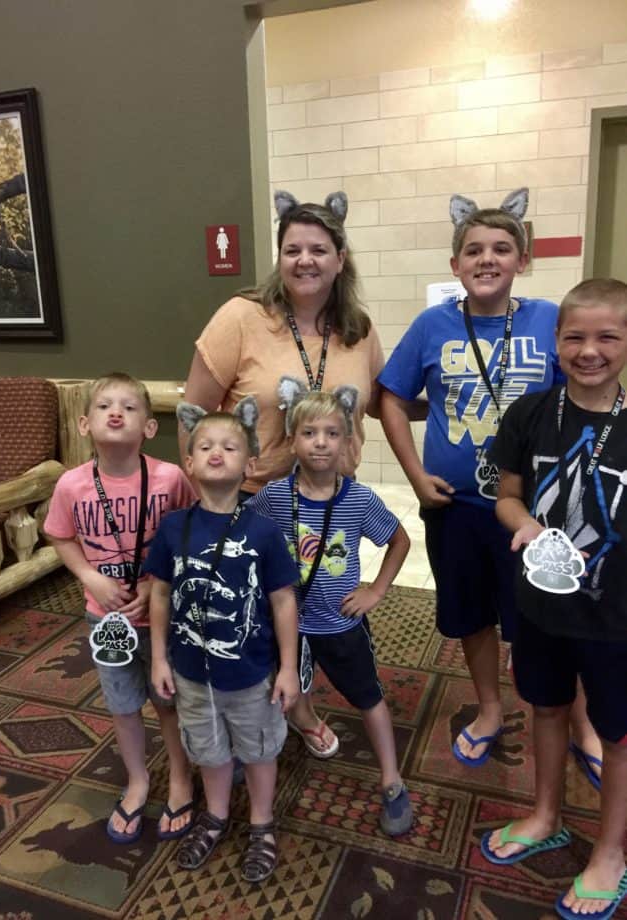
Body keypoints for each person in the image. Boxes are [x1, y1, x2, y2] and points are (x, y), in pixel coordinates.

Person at [181, 189, 384, 757]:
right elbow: (194, 415)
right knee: (259, 620)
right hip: (253, 502)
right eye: (292, 248)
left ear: (340, 258)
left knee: (321, 603)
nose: (305, 260)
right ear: (279, 256)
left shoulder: (359, 330)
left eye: (319, 249)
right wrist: (208, 502)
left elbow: (381, 399)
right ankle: (291, 713)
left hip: (330, 502)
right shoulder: (241, 318)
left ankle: (301, 697)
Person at [379, 188, 564, 768]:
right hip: (454, 507)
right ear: (454, 264)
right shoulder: (432, 325)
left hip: (533, 511)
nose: (487, 259)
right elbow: (390, 397)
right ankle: (488, 707)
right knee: (472, 615)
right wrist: (414, 474)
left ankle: (559, 714)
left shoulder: (549, 319)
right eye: (474, 250)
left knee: (543, 617)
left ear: (522, 261)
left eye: (502, 248)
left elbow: (582, 395)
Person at [480, 278, 627, 920]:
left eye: (607, 337)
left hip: (616, 615)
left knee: (618, 734)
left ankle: (612, 850)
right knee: (545, 708)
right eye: (575, 336)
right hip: (541, 603)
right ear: (556, 341)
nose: (589, 350)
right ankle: (546, 813)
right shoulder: (531, 413)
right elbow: (506, 494)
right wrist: (524, 526)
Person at [145, 397, 299, 883]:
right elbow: (160, 596)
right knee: (208, 750)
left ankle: (261, 821)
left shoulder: (265, 531)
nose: (216, 452)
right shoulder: (172, 529)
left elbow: (283, 602)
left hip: (251, 673)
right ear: (187, 462)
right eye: (204, 446)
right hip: (190, 673)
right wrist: (158, 660)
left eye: (230, 447)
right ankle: (214, 813)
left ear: (249, 464)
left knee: (257, 750)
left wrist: (290, 667)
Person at [249, 381, 413, 836]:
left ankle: (392, 779)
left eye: (331, 433)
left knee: (368, 697)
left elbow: (400, 539)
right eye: (308, 433)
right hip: (288, 625)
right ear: (292, 439)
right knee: (283, 689)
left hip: (339, 621)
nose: (320, 442)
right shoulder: (274, 497)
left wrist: (376, 590)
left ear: (347, 441)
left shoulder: (358, 500)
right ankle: (294, 736)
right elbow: (248, 538)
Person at [45, 372, 197, 844]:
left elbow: (188, 531)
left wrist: (158, 584)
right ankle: (137, 779)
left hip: (161, 614)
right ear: (85, 423)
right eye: (105, 405)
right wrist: (89, 576)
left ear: (150, 428)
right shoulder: (72, 485)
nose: (116, 412)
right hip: (105, 616)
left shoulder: (170, 478)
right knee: (124, 705)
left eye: (130, 407)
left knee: (168, 702)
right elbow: (59, 534)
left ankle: (179, 777)